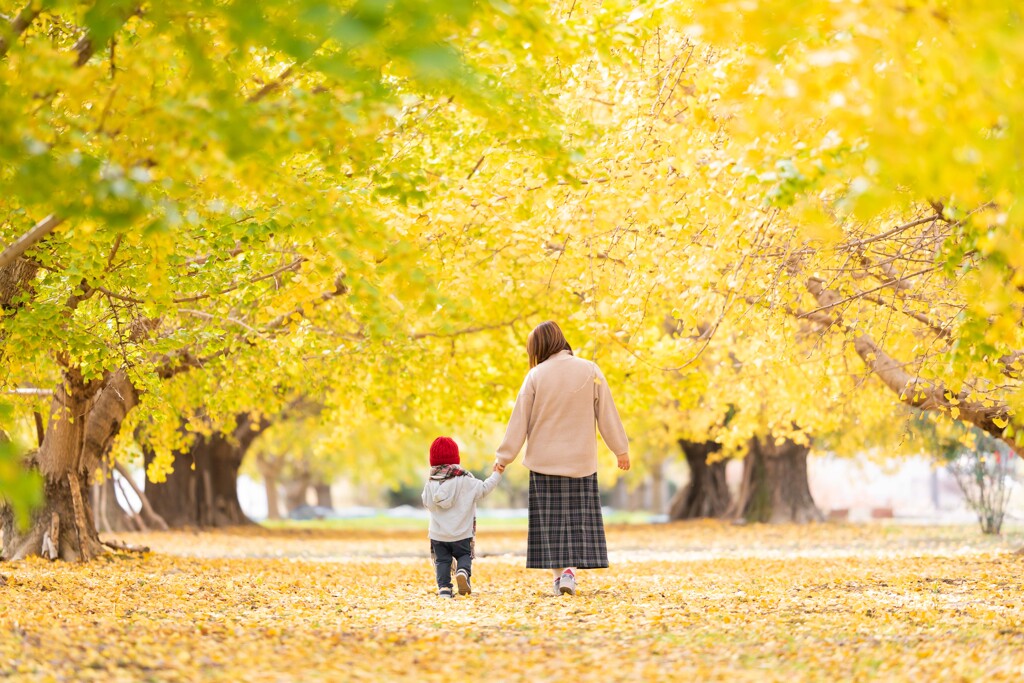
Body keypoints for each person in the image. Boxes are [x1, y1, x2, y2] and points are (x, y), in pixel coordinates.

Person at [494, 321, 629, 596]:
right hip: (581, 461)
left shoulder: (535, 376)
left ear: (539, 348)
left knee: (552, 526)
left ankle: (560, 578)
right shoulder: (589, 370)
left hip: (544, 463)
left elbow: (518, 421)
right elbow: (607, 414)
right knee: (577, 522)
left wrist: (504, 456)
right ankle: (570, 573)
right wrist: (620, 449)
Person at [421, 436, 502, 598]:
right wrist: (496, 474)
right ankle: (463, 572)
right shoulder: (466, 480)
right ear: (456, 458)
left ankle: (444, 588)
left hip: (439, 535)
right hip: (461, 534)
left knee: (442, 561)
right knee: (464, 555)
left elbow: (426, 502)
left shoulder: (430, 483)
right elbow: (484, 489)